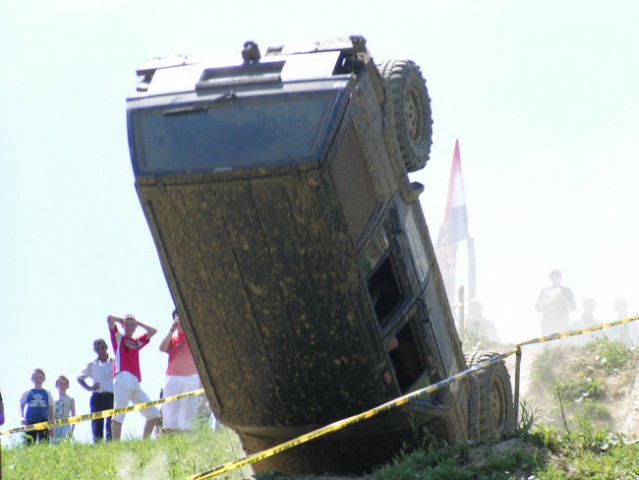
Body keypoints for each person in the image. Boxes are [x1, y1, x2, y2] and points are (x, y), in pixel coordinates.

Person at [107, 313, 161, 440]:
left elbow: (153, 331)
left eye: (132, 325)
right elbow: (109, 319)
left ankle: (144, 443)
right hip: (123, 376)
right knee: (119, 414)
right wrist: (122, 321)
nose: (129, 327)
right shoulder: (118, 337)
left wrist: (138, 323)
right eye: (127, 325)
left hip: (135, 381)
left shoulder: (136, 343)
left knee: (154, 413)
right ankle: (115, 446)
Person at [159, 309, 200, 433]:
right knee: (169, 417)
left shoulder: (193, 337)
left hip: (192, 378)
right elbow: (162, 348)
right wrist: (172, 329)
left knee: (189, 417)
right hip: (173, 378)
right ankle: (170, 444)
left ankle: (186, 445)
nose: (180, 320)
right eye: (177, 317)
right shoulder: (172, 338)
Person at [77, 338, 115, 442]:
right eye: (98, 349)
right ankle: (98, 444)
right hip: (97, 396)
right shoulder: (92, 364)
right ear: (95, 350)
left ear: (106, 347)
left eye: (102, 347)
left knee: (112, 421)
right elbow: (80, 378)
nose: (101, 350)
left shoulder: (114, 362)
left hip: (111, 395)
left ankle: (111, 444)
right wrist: (89, 388)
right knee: (97, 423)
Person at [535, 268, 576, 336]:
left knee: (564, 344)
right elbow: (539, 309)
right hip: (548, 324)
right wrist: (544, 297)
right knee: (548, 345)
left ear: (560, 277)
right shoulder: (544, 291)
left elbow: (572, 309)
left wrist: (563, 298)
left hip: (562, 323)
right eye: (553, 276)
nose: (555, 278)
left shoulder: (566, 291)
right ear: (550, 278)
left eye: (557, 275)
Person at [19, 368, 54, 445]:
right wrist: (22, 417)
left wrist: (52, 426)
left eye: (41, 377)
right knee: (28, 444)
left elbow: (51, 409)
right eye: (36, 377)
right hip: (30, 421)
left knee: (44, 443)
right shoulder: (28, 392)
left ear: (44, 379)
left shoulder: (47, 393)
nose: (38, 380)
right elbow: (21, 405)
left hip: (43, 421)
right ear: (32, 379)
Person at [52, 375, 76, 444]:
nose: (62, 386)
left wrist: (72, 429)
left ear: (68, 386)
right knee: (54, 443)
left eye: (65, 384)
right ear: (56, 385)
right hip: (55, 424)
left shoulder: (70, 399)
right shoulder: (53, 399)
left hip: (65, 423)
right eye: (60, 384)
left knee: (64, 442)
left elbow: (73, 414)